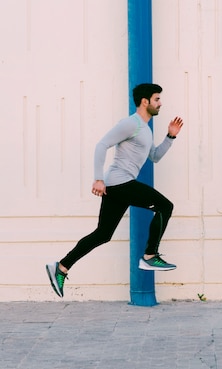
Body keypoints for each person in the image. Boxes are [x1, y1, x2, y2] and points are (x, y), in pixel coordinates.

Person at [46, 83, 184, 298]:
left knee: (103, 234)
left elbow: (155, 157)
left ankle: (61, 267)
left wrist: (170, 136)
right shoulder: (131, 123)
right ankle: (149, 255)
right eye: (157, 99)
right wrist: (98, 178)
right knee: (165, 206)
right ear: (145, 101)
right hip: (119, 183)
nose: (161, 103)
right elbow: (102, 145)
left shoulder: (145, 129)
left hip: (118, 185)